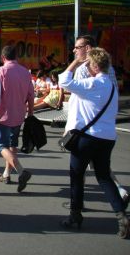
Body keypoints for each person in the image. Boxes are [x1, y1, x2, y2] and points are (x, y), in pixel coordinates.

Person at [58, 48, 129, 239]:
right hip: (107, 138)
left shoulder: (91, 84)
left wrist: (75, 62)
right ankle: (121, 214)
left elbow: (63, 81)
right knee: (104, 177)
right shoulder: (112, 86)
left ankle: (75, 215)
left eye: (89, 64)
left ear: (95, 66)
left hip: (86, 138)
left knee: (77, 176)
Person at [0, 45, 34, 192]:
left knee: (1, 145)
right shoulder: (25, 72)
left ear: (3, 58)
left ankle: (21, 170)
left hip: (3, 115)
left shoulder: (1, 71)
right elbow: (31, 95)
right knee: (12, 144)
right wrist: (30, 114)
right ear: (16, 57)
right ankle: (6, 173)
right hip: (19, 115)